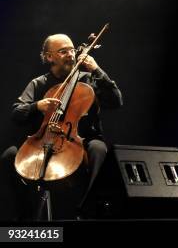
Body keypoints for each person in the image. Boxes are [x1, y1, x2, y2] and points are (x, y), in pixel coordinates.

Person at [0, 33, 122, 220]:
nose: (71, 54)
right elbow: (16, 112)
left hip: (80, 140)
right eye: (63, 51)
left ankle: (87, 211)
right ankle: (23, 216)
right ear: (49, 57)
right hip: (43, 139)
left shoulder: (88, 79)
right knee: (9, 155)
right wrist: (37, 106)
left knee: (98, 148)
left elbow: (116, 101)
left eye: (72, 50)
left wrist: (97, 70)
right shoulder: (39, 83)